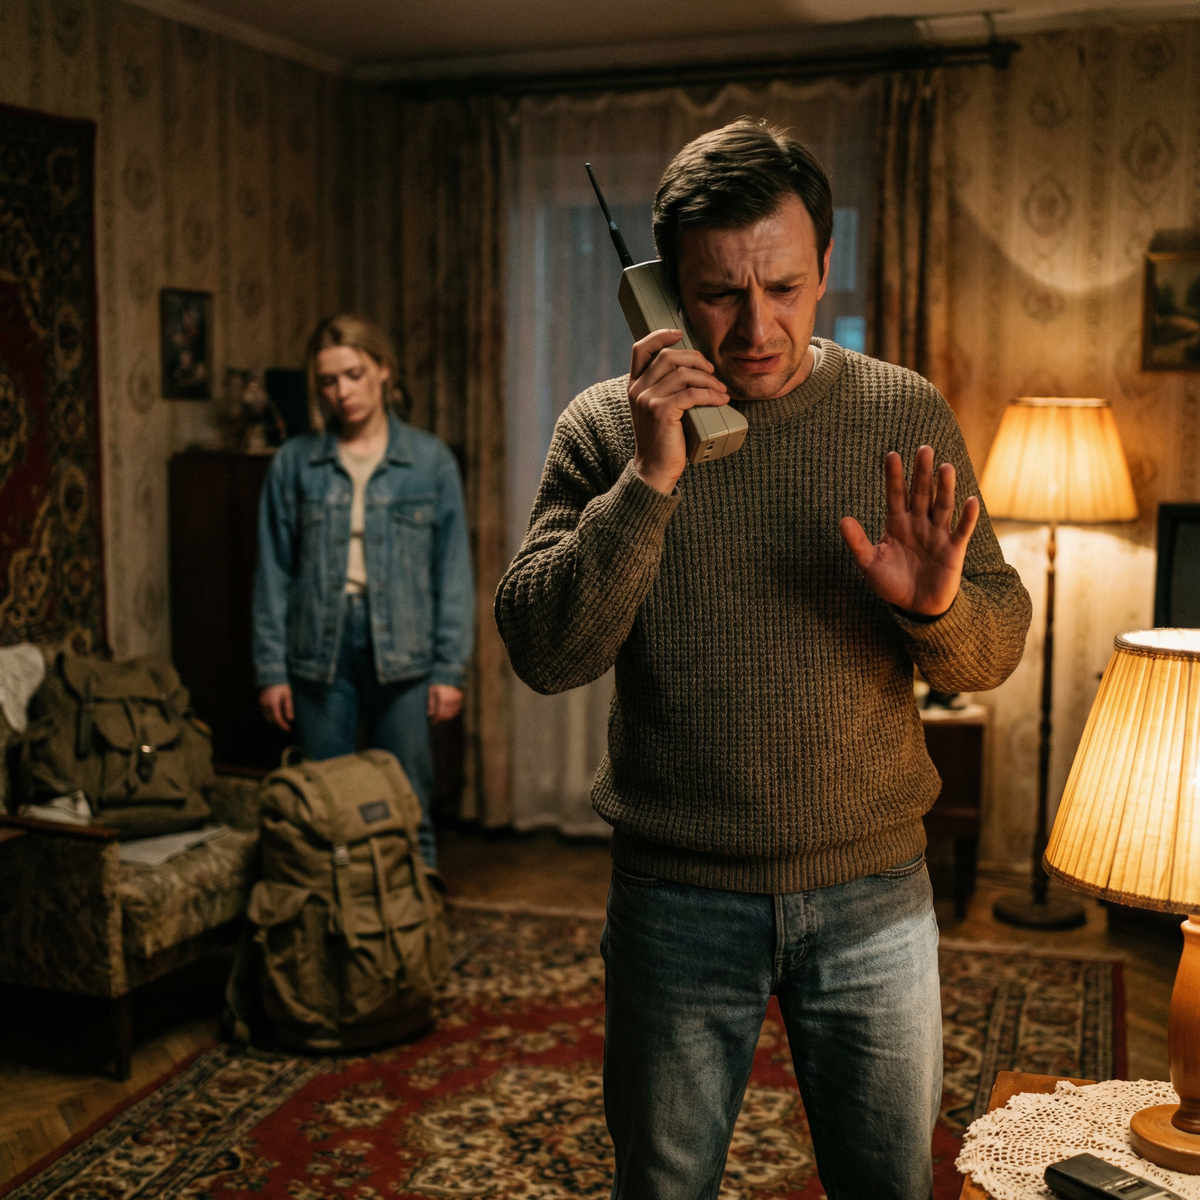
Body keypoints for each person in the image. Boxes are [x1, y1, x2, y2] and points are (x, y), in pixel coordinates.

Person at [495, 121, 1031, 1199]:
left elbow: (995, 645)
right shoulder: (603, 428)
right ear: (659, 287)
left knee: (889, 1184)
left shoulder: (901, 409)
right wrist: (648, 482)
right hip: (676, 898)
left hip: (874, 895)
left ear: (826, 265)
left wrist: (935, 608)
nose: (756, 328)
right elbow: (546, 652)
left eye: (784, 288)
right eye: (717, 294)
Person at [254, 314, 473, 869]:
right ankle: (340, 917)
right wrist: (271, 670)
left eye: (353, 375)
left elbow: (452, 572)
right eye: (328, 381)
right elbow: (273, 571)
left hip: (405, 651)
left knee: (408, 802)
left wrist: (449, 669)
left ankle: (415, 914)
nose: (342, 392)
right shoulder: (294, 462)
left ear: (383, 371)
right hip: (317, 652)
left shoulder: (429, 462)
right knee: (324, 806)